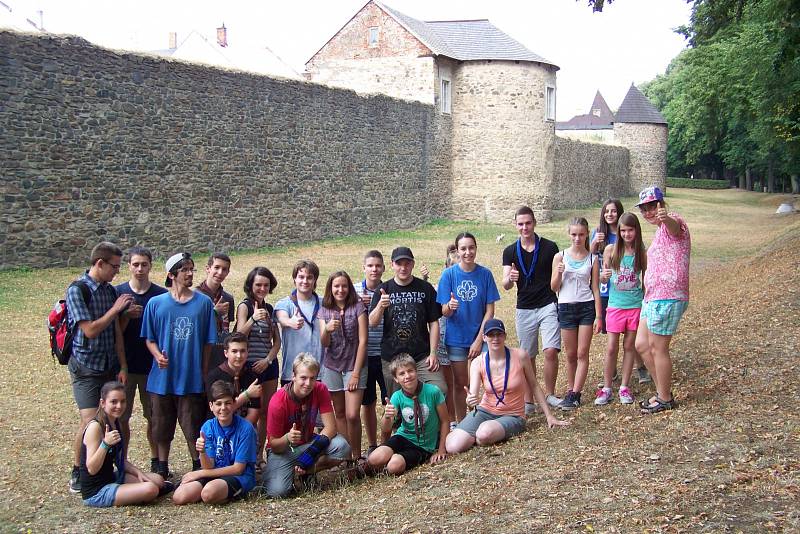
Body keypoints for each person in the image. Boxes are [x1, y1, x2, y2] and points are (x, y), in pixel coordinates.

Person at [141, 252, 217, 478]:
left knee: (193, 424)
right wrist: (157, 355)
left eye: (192, 269)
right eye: (185, 270)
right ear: (172, 274)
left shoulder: (203, 303)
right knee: (161, 425)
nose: (190, 273)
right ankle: (162, 465)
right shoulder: (156, 304)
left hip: (190, 377)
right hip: (162, 378)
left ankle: (197, 463)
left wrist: (203, 371)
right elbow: (149, 337)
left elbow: (207, 342)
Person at [445, 319, 568, 455]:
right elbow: (472, 395)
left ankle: (482, 434)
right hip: (485, 411)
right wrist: (470, 400)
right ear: (484, 338)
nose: (495, 338)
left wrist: (549, 416)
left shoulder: (520, 355)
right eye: (491, 335)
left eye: (499, 334)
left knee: (484, 434)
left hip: (513, 415)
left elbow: (534, 385)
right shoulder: (478, 362)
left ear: (505, 336)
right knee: (452, 446)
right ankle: (475, 434)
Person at [67, 241, 133, 493]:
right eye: (114, 267)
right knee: (90, 420)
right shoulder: (78, 290)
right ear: (99, 264)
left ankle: (110, 465)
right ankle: (79, 469)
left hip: (109, 365)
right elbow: (91, 330)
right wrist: (115, 309)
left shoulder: (108, 290)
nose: (117, 272)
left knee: (114, 418)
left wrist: (123, 364)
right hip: (85, 366)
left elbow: (116, 330)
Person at [634, 186, 691, 414]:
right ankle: (662, 390)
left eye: (652, 206)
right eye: (644, 208)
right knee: (641, 344)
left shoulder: (672, 222)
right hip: (653, 297)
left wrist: (666, 218)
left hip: (667, 297)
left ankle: (665, 398)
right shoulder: (658, 231)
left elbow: (676, 228)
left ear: (661, 204)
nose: (649, 212)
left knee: (659, 349)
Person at [263, 353, 352, 498]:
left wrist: (310, 455)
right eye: (303, 378)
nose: (308, 383)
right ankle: (289, 472)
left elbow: (330, 427)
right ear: (294, 376)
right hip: (283, 450)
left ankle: (307, 470)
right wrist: (287, 437)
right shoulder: (278, 401)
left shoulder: (320, 389)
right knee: (277, 492)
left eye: (312, 378)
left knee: (342, 446)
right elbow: (274, 445)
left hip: (307, 443)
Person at [501, 206, 561, 411]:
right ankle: (529, 400)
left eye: (528, 223)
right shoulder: (509, 251)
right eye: (520, 224)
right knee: (528, 356)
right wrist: (511, 278)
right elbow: (506, 284)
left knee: (551, 350)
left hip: (547, 304)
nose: (524, 227)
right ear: (515, 225)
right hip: (524, 308)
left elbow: (556, 279)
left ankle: (551, 394)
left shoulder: (550, 247)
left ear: (534, 222)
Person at [437, 232, 500, 421]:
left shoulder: (485, 274)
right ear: (457, 251)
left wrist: (479, 339)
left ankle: (490, 414)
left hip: (480, 336)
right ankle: (462, 421)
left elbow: (490, 311)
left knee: (488, 378)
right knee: (460, 383)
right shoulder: (448, 275)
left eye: (471, 248)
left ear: (476, 249)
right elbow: (443, 311)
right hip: (456, 337)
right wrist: (450, 307)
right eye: (463, 249)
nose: (467, 252)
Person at [369, 246, 446, 397]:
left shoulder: (425, 288)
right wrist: (380, 306)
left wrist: (433, 353)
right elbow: (372, 322)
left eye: (407, 263)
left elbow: (434, 322)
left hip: (421, 356)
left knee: (439, 390)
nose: (403, 268)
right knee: (397, 402)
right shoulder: (383, 289)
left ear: (413, 264)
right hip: (392, 357)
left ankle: (428, 420)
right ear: (392, 265)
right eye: (399, 264)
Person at [79, 381, 171, 507]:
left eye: (123, 401)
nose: (119, 406)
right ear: (103, 403)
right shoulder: (95, 427)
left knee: (158, 480)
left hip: (111, 478)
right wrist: (105, 444)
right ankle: (140, 492)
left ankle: (139, 490)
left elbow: (120, 460)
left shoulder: (115, 422)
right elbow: (92, 468)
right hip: (97, 491)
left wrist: (138, 473)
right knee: (151, 489)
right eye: (114, 402)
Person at [116, 246, 166, 472]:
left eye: (144, 264)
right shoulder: (118, 293)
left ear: (150, 266)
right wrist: (126, 317)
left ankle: (156, 460)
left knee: (153, 416)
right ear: (129, 266)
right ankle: (121, 461)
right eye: (135, 264)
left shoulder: (159, 295)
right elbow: (113, 331)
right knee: (121, 418)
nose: (139, 269)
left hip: (151, 367)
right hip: (124, 365)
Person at [591, 200, 650, 384]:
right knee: (612, 345)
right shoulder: (607, 243)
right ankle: (610, 379)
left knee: (630, 345)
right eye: (623, 231)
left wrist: (646, 300)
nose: (626, 234)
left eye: (614, 211)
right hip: (613, 299)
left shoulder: (640, 250)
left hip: (634, 303)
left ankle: (635, 373)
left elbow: (645, 279)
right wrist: (603, 276)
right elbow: (598, 268)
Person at [172, 380, 258, 505]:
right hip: (213, 473)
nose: (223, 408)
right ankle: (214, 492)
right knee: (180, 497)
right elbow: (209, 465)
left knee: (208, 494)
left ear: (234, 404)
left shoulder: (245, 428)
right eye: (218, 404)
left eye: (228, 403)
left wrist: (199, 473)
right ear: (211, 406)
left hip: (239, 476)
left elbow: (238, 469)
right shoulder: (208, 427)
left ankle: (228, 493)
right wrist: (202, 452)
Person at [551, 217, 602, 410]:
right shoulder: (560, 257)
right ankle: (570, 390)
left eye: (581, 234)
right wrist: (559, 273)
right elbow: (554, 287)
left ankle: (576, 393)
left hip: (586, 306)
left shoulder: (592, 258)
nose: (577, 238)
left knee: (582, 352)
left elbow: (595, 288)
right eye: (574, 234)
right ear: (569, 234)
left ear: (587, 234)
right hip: (566, 307)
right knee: (571, 354)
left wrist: (599, 315)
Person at [366, 353, 448, 475]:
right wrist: (388, 416)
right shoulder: (397, 396)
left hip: (423, 446)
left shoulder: (433, 392)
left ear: (416, 371)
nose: (407, 376)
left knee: (394, 467)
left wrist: (441, 450)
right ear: (396, 379)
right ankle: (385, 461)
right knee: (374, 458)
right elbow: (385, 428)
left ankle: (394, 461)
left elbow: (445, 420)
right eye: (402, 373)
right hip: (403, 437)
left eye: (410, 371)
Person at [318, 271, 368, 463]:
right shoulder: (325, 309)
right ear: (331, 288)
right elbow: (324, 343)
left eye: (344, 286)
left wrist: (356, 374)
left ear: (349, 288)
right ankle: (346, 457)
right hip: (332, 366)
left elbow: (363, 341)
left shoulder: (358, 307)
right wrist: (327, 330)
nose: (340, 290)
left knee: (352, 414)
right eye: (336, 286)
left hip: (354, 365)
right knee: (339, 413)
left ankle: (357, 455)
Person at [235, 266, 281, 471]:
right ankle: (246, 455)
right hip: (249, 367)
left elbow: (277, 341)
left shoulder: (270, 309)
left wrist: (269, 359)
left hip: (268, 366)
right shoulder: (245, 306)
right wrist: (253, 319)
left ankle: (260, 454)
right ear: (251, 286)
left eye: (266, 285)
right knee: (250, 412)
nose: (262, 288)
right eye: (258, 285)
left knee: (266, 412)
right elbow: (238, 336)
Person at [354, 250, 388, 457]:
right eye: (370, 266)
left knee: (388, 400)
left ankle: (386, 442)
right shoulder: (355, 291)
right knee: (367, 402)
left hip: (385, 353)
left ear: (383, 268)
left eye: (378, 266)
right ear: (364, 268)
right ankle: (373, 444)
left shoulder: (388, 289)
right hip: (364, 354)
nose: (374, 269)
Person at [274, 260, 324, 385]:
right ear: (294, 279)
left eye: (309, 278)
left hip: (320, 372)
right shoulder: (285, 303)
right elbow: (282, 318)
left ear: (315, 280)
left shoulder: (324, 303)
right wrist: (291, 322)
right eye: (301, 277)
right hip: (292, 372)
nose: (305, 281)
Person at [205, 332, 262, 424]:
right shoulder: (214, 377)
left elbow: (254, 412)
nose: (239, 356)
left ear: (248, 352)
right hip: (218, 427)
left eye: (242, 351)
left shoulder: (252, 377)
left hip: (244, 427)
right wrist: (246, 395)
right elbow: (217, 411)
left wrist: (241, 431)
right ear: (226, 353)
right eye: (234, 351)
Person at [195, 253, 235, 370]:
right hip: (201, 352)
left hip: (221, 355)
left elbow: (228, 328)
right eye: (216, 267)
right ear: (208, 269)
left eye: (224, 269)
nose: (220, 272)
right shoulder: (195, 296)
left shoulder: (228, 298)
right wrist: (214, 313)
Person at [435, 244, 460, 428]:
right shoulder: (441, 286)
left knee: (462, 382)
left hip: (463, 338)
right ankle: (451, 420)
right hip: (444, 339)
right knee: (448, 383)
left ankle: (463, 416)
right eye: (453, 266)